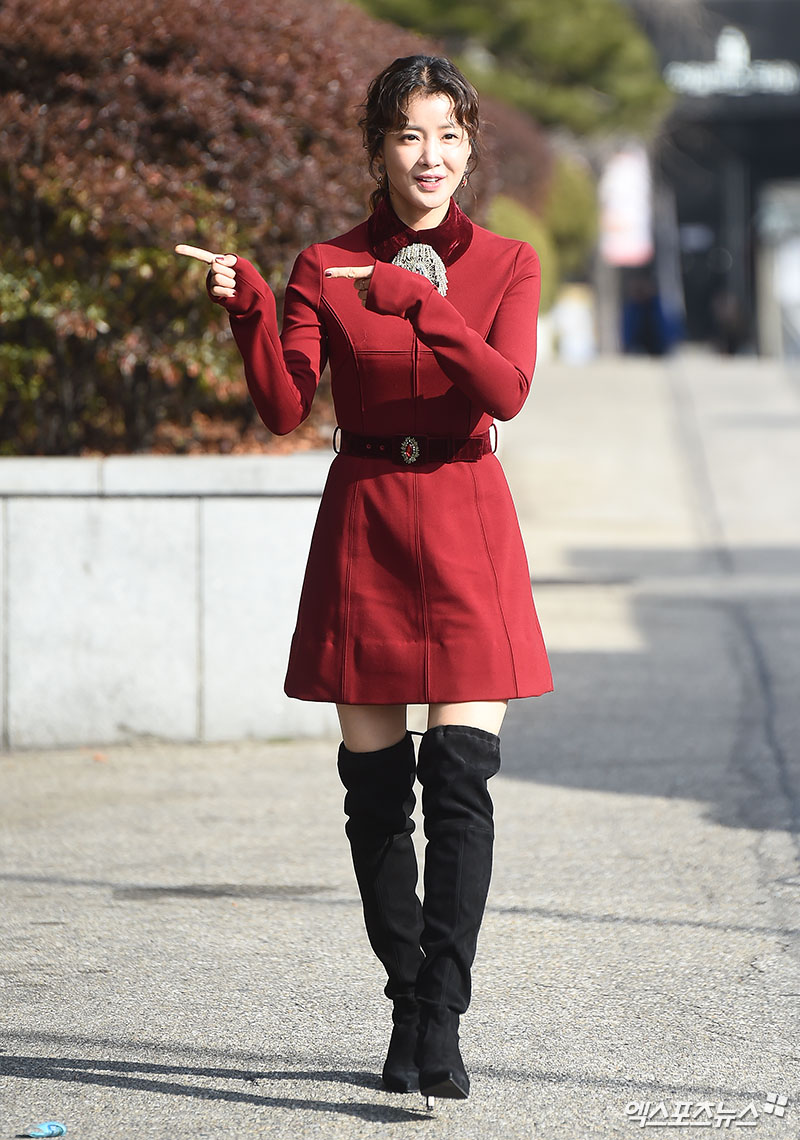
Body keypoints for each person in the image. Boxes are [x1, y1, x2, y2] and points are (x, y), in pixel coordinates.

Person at [176, 54, 552, 1106]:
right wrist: (253, 310)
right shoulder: (324, 264)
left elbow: (505, 390)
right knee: (375, 795)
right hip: (367, 525)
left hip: (467, 520)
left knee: (460, 783)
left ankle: (442, 1013)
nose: (426, 156)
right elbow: (282, 406)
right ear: (376, 150)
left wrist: (415, 302)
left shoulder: (509, 264)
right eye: (405, 136)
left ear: (469, 150)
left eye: (445, 136)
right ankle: (403, 1001)